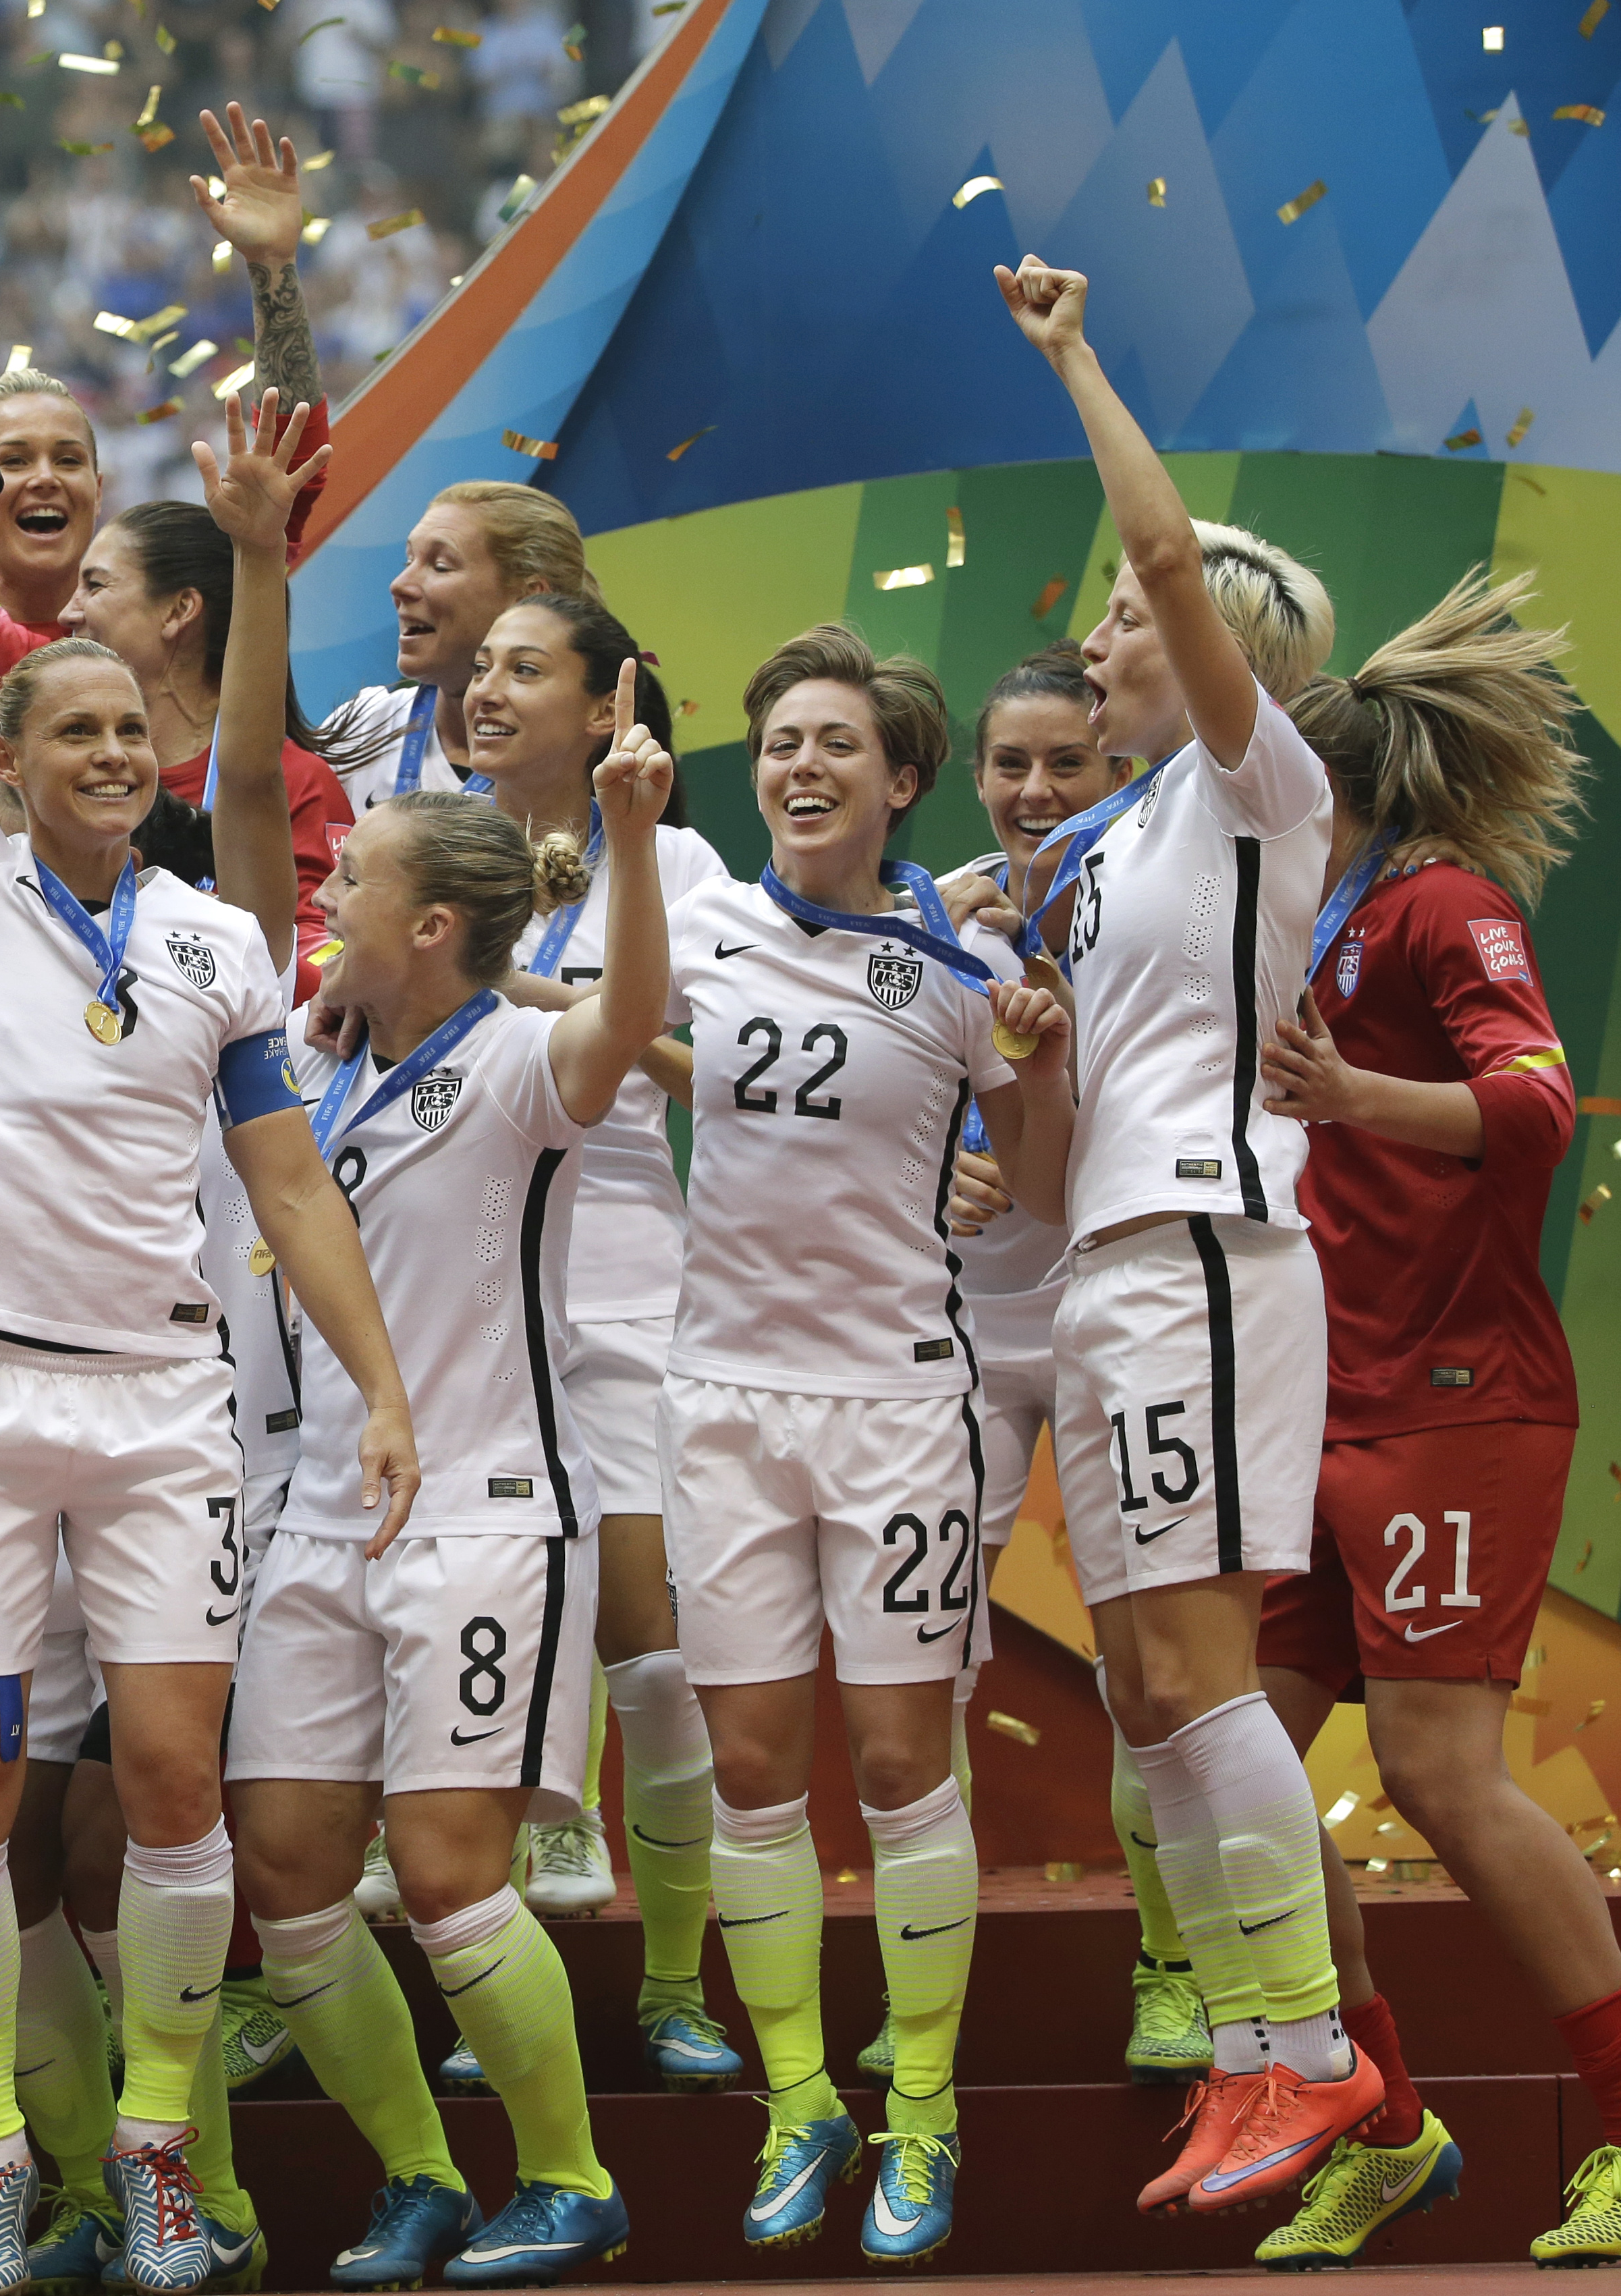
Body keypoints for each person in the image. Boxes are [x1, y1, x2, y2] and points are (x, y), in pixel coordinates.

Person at [0, 294, 413, 2295]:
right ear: (1, 764)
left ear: (157, 748)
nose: (104, 746)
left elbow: (285, 1175)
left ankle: (162, 2152)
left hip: (158, 1420)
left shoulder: (210, 944)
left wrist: (371, 1384)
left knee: (174, 1776)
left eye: (128, 724)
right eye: (66, 724)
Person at [997, 251, 1382, 2215]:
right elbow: (1065, 1147)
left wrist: (1076, 351)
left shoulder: (1256, 782)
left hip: (1214, 1255)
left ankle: (1307, 2049)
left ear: (1213, 636)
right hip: (1121, 1260)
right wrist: (1030, 1075)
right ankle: (1249, 2051)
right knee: (1147, 1685)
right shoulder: (1127, 836)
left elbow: (1154, 556)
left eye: (1139, 611)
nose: (1102, 623)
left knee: (1199, 1672)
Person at [238, 719, 671, 2289]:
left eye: (350, 874)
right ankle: (419, 2176)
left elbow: (631, 1019)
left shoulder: (516, 1061)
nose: (326, 888)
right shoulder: (307, 1056)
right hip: (316, 1512)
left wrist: (626, 843)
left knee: (443, 1875)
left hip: (488, 1510)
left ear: (432, 925)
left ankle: (569, 2178)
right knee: (285, 1882)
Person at [669, 626, 1070, 2265]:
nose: (802, 767)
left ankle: (922, 2112)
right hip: (723, 1407)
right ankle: (799, 2101)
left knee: (903, 1771)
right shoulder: (694, 923)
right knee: (755, 1776)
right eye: (780, 745)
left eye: (838, 744)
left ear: (902, 783)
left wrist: (1032, 1066)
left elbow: (1034, 1179)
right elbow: (571, 995)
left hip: (904, 1407)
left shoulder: (966, 969)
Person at [1238, 574, 1617, 2271]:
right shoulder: (1287, 920)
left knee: (1440, 1774)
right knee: (1232, 1776)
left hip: (1458, 1403)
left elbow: (1534, 1102)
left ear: (1328, 792)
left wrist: (1353, 1095)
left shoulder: (1440, 901)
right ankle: (1386, 2129)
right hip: (1309, 1404)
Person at [443, 591, 734, 2031]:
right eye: (481, 667)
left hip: (621, 1268)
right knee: (469, 1627)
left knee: (653, 1643)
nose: (488, 690)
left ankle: (673, 1985)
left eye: (525, 668)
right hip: (463, 1274)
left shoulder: (677, 855)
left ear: (607, 705)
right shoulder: (432, 843)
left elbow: (706, 1063)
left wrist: (523, 986)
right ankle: (489, 2012)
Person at [905, 651, 1179, 2092]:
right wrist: (927, 1183)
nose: (1030, 792)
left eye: (1063, 764)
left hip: (1114, 1309)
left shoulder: (1151, 907)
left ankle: (1176, 1965)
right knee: (924, 1659)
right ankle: (927, 2003)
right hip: (955, 1334)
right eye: (1008, 765)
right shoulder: (927, 917)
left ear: (1118, 765)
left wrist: (1028, 1156)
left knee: (1148, 1663)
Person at [0, 93, 331, 750]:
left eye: (68, 459)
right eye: (12, 460)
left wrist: (272, 267)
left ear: (101, 492)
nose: (45, 477)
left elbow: (286, 478)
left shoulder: (175, 635)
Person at [59, 499, 356, 968]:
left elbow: (326, 961)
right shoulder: (67, 772)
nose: (66, 612)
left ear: (178, 610)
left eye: (94, 586)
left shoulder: (296, 783)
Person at [318, 486, 597, 813]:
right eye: (409, 560)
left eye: (440, 566)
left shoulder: (595, 762)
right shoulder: (364, 727)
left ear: (527, 599)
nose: (400, 585)